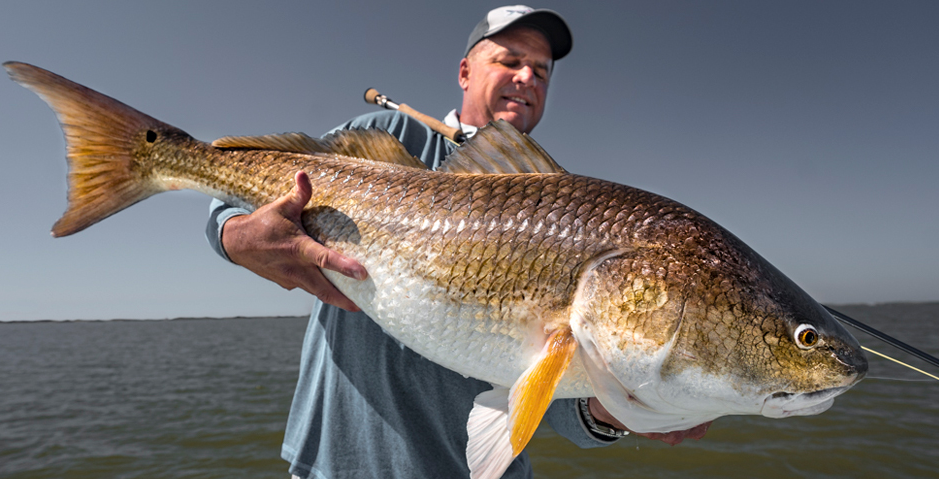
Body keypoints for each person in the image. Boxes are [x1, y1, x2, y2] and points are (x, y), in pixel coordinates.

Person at [206, 6, 709, 478]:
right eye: (510, 60)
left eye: (542, 69)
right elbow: (238, 189)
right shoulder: (387, 137)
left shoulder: (569, 210)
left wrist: (622, 409)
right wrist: (232, 235)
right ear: (466, 71)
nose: (528, 77)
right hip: (335, 462)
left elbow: (558, 410)